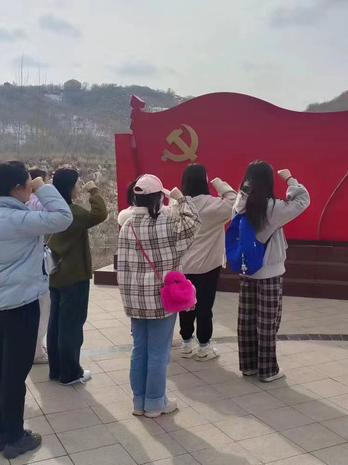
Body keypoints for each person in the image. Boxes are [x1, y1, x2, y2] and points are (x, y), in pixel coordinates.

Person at [0, 161, 73, 459]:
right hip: (18, 306)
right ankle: (16, 437)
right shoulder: (18, 219)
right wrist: (44, 187)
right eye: (28, 184)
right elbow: (63, 217)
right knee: (14, 373)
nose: (31, 188)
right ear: (18, 188)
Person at [117, 174, 200, 418]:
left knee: (139, 350)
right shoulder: (168, 223)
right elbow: (194, 222)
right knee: (158, 352)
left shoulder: (127, 226)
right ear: (157, 198)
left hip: (135, 300)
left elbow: (123, 266)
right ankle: (155, 403)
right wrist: (180, 198)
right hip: (162, 300)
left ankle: (138, 402)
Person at [236, 162, 310, 383]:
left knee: (246, 319)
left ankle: (249, 366)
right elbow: (302, 200)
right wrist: (289, 179)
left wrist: (245, 188)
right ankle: (268, 370)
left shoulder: (240, 204)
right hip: (269, 271)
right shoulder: (273, 207)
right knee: (267, 322)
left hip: (246, 267)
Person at [47, 168, 108, 385]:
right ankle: (71, 372)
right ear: (69, 187)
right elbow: (99, 214)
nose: (77, 188)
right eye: (76, 184)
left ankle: (56, 369)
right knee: (71, 326)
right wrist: (94, 191)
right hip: (74, 276)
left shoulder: (50, 210)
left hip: (55, 275)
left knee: (55, 324)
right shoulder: (72, 212)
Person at [178, 164, 237, 361]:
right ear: (204, 181)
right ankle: (204, 347)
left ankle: (186, 343)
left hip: (183, 266)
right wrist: (219, 183)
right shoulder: (214, 206)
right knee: (204, 307)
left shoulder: (179, 206)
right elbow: (235, 200)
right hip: (207, 266)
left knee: (185, 305)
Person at [25, 167, 51, 365]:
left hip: (27, 261)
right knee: (43, 306)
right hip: (38, 259)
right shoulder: (38, 202)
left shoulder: (21, 202)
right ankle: (36, 350)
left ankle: (36, 346)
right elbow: (60, 214)